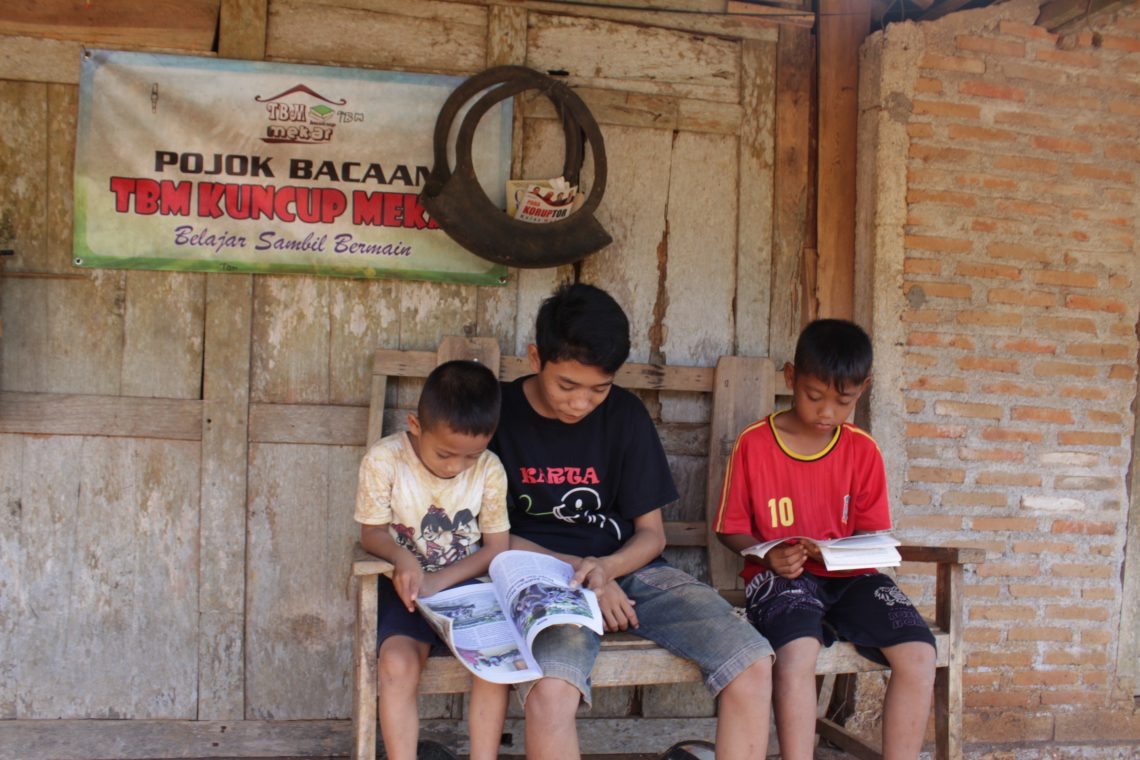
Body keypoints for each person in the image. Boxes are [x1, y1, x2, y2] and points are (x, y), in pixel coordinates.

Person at [489, 283, 774, 760]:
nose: (580, 403)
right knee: (551, 693)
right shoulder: (498, 414)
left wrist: (607, 570)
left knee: (752, 661)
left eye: (598, 389)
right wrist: (585, 576)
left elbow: (651, 534)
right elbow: (494, 539)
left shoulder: (624, 415)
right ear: (535, 357)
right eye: (567, 386)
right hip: (536, 577)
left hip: (627, 572)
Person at [714, 318, 936, 760]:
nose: (827, 413)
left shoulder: (862, 450)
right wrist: (770, 553)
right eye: (814, 397)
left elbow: (874, 535)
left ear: (864, 388)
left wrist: (838, 550)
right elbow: (729, 526)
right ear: (791, 377)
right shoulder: (755, 444)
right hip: (783, 577)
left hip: (851, 576)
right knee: (797, 655)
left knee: (919, 655)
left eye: (844, 401)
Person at [355, 360, 510, 760]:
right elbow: (371, 533)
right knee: (396, 665)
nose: (455, 467)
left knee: (495, 668)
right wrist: (402, 559)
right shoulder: (385, 460)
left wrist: (438, 582)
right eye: (445, 454)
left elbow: (496, 547)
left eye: (470, 457)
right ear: (415, 425)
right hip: (404, 591)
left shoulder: (490, 470)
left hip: (470, 590)